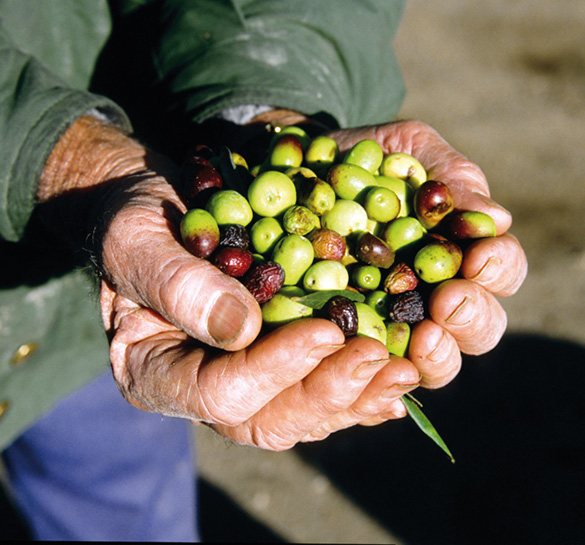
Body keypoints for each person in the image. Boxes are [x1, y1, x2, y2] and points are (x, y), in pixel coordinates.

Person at [0, 0, 527, 541]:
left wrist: (264, 114)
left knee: (122, 495)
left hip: (83, 327)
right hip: (88, 259)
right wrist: (66, 156)